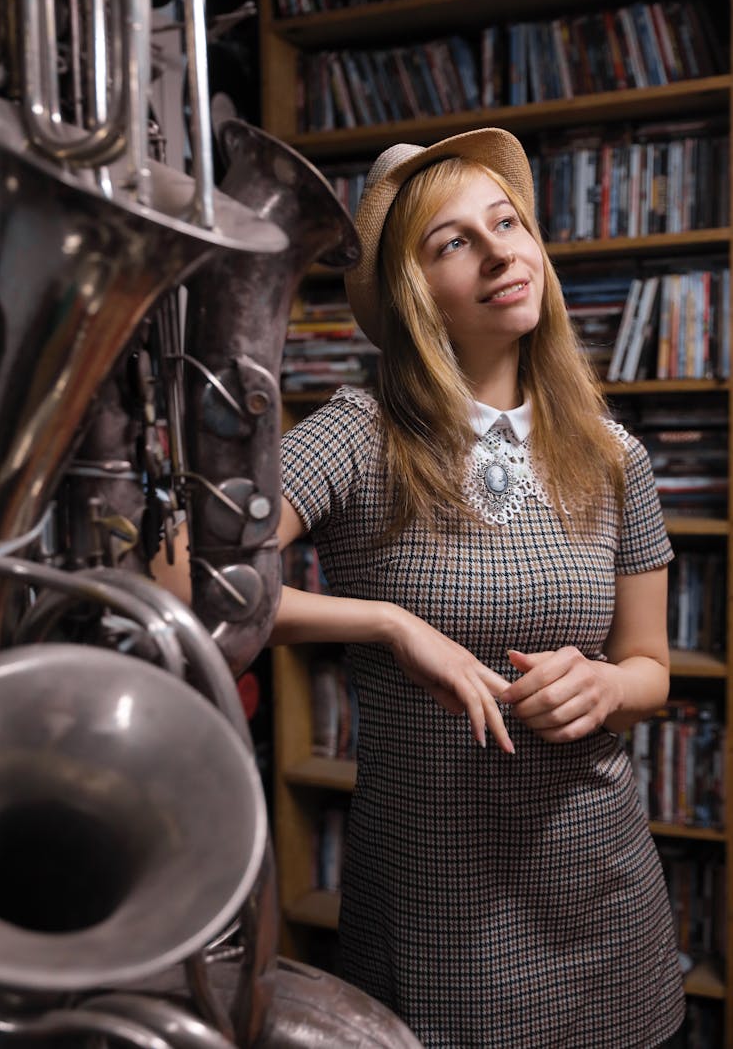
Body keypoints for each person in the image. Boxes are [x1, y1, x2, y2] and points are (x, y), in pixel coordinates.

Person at [270, 126, 686, 1048]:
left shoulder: (617, 456)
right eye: (455, 240)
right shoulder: (358, 430)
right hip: (436, 908)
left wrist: (609, 686)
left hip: (607, 899)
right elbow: (178, 577)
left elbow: (651, 665)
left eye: (509, 223)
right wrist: (386, 623)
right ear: (416, 294)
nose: (502, 249)